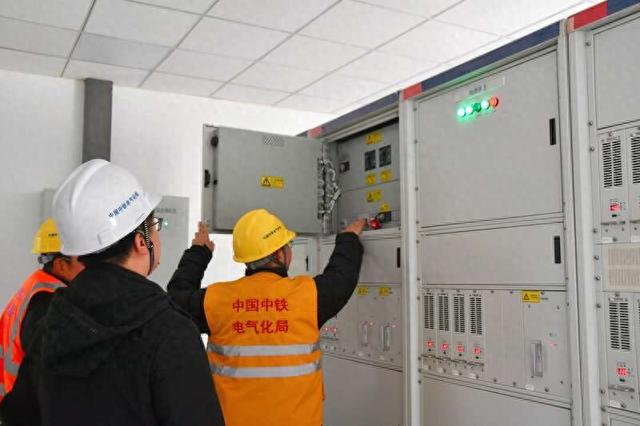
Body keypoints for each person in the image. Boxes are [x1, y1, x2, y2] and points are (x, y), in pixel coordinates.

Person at [0, 159, 224, 426]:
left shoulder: (52, 322)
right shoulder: (170, 332)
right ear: (142, 242)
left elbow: (18, 416)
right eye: (155, 226)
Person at [169, 209, 366, 426]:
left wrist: (199, 252)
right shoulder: (307, 296)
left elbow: (175, 298)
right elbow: (341, 277)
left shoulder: (216, 300)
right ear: (280, 255)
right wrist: (348, 239)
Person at [0, 218, 83, 402]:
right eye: (84, 259)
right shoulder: (47, 304)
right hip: (21, 405)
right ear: (61, 265)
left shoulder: (36, 285)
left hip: (11, 398)